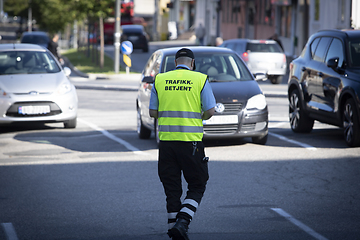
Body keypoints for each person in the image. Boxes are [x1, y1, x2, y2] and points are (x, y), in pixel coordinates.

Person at [149, 48, 216, 240]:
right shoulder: (200, 79)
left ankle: (175, 231)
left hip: (167, 144)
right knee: (197, 184)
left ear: (175, 62)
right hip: (191, 143)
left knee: (172, 189)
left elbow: (153, 112)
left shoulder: (160, 80)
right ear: (192, 63)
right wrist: (199, 115)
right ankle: (183, 222)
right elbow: (210, 111)